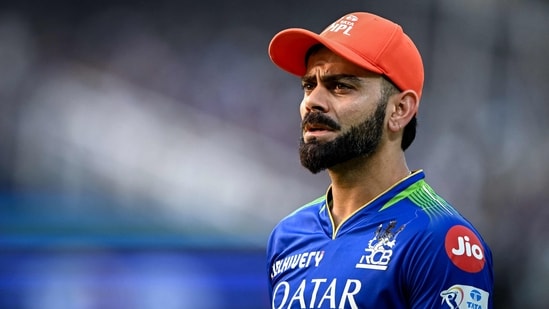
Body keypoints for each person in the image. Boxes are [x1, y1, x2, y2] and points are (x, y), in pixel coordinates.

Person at [265, 12, 494, 309]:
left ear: (399, 110)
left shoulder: (441, 240)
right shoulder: (287, 235)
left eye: (340, 86)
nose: (313, 101)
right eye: (309, 85)